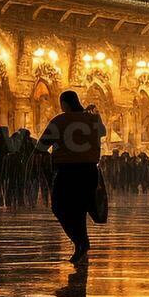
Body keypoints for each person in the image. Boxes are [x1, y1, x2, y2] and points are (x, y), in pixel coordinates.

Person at [36, 90, 107, 265]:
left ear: (65, 104)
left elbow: (41, 147)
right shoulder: (94, 120)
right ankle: (81, 245)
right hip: (90, 171)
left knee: (59, 207)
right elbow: (103, 132)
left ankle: (81, 242)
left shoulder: (60, 120)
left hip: (67, 171)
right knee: (80, 209)